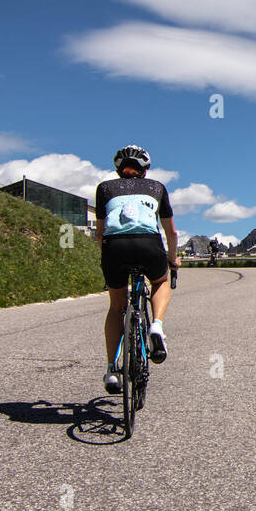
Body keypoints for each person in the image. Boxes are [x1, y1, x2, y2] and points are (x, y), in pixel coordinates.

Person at [95, 145, 178, 394]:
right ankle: (156, 326)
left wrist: (106, 256)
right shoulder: (157, 187)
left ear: (118, 169)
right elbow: (171, 232)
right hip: (148, 244)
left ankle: (112, 369)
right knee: (160, 282)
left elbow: (100, 233)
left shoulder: (104, 188)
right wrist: (173, 259)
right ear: (145, 170)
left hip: (114, 247)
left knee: (116, 307)